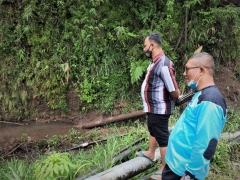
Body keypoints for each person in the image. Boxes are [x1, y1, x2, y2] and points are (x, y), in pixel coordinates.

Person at [163, 52, 227, 180]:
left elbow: (206, 144)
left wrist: (190, 175)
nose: (184, 73)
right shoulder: (200, 94)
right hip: (175, 166)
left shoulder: (210, 101)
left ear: (202, 70)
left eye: (187, 69)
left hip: (183, 172)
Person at [136, 32, 180, 180]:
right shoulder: (155, 62)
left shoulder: (164, 63)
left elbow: (173, 89)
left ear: (152, 45)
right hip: (153, 108)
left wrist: (176, 97)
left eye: (145, 46)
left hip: (160, 109)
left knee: (162, 137)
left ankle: (164, 170)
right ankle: (150, 152)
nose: (144, 49)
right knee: (153, 130)